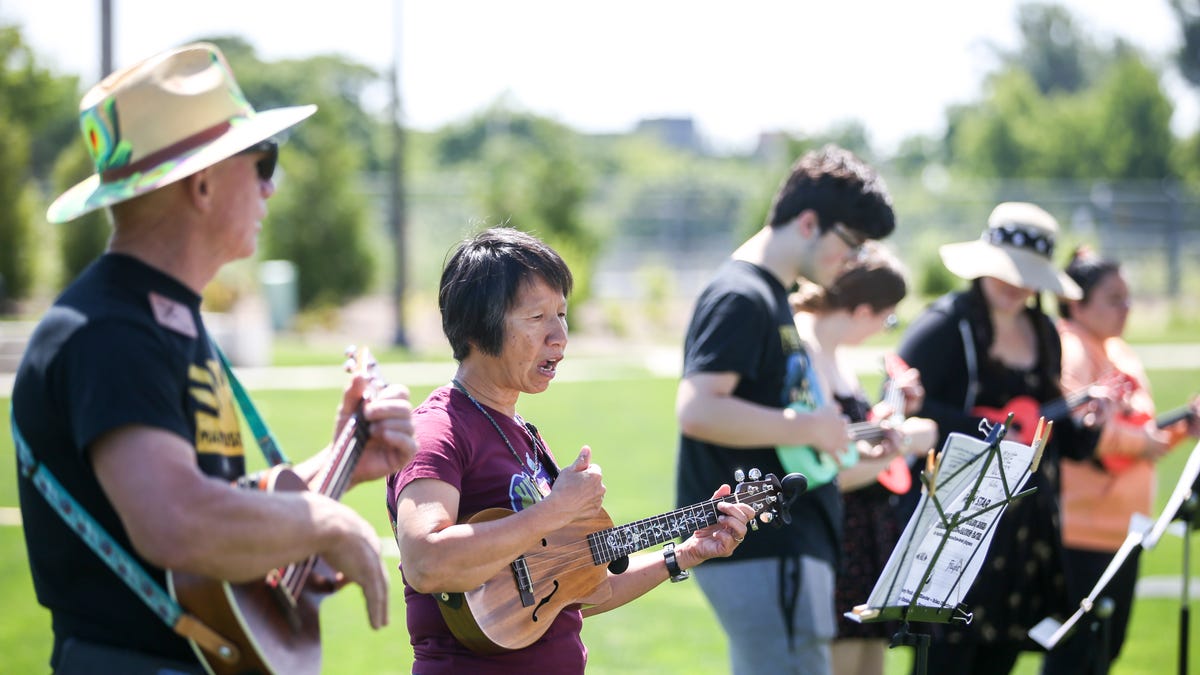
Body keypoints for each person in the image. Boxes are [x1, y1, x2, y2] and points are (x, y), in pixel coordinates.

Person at [12, 43, 417, 674]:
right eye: (261, 162)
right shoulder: (108, 331)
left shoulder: (158, 317)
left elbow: (213, 508)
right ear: (202, 183)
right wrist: (327, 524)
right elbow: (174, 520)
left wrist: (343, 461)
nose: (271, 185)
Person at [386, 226, 756, 673]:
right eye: (537, 316)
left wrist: (684, 554)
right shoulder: (438, 431)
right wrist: (554, 510)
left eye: (562, 314)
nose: (560, 335)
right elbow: (426, 561)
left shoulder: (522, 434)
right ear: (478, 326)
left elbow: (570, 594)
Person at [675, 144, 899, 675]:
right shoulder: (742, 295)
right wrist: (811, 425)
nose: (853, 261)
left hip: (785, 550)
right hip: (763, 551)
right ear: (807, 222)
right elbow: (698, 408)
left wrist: (834, 434)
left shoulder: (771, 295)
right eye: (851, 244)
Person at [895, 202, 1102, 675]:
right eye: (1007, 271)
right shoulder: (946, 325)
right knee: (946, 657)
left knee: (999, 658)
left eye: (1028, 276)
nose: (1016, 284)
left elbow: (1056, 438)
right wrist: (979, 426)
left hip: (1024, 528)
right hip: (957, 519)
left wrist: (1088, 424)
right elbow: (901, 406)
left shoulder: (1044, 330)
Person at [1041, 247, 1200, 675]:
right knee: (1076, 651)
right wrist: (1140, 441)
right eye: (1114, 298)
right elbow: (1079, 430)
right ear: (1077, 302)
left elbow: (1144, 436)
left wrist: (1185, 428)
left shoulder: (1120, 350)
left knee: (1103, 649)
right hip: (1083, 525)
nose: (1126, 308)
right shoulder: (1069, 346)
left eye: (1128, 297)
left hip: (1125, 525)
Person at [789, 243, 939, 675]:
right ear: (861, 311)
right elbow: (823, 472)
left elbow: (854, 441)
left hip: (862, 538)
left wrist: (893, 416)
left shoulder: (830, 349)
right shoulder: (805, 348)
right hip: (832, 540)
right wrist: (908, 441)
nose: (884, 328)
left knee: (870, 662)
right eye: (887, 317)